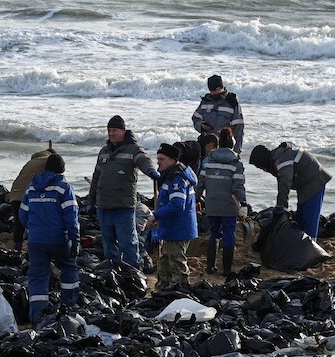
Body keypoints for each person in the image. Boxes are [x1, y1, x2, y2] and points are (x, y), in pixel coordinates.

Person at [87, 115, 160, 267]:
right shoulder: (104, 151)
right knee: (108, 243)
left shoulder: (133, 149)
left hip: (123, 206)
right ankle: (113, 271)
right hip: (103, 205)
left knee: (128, 242)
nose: (111, 133)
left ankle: (132, 271)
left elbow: (144, 161)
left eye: (114, 130)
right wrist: (90, 201)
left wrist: (152, 172)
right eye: (109, 130)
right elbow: (96, 178)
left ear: (123, 131)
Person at [18, 153, 80, 323]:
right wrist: (75, 239)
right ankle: (69, 307)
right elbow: (71, 216)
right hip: (59, 239)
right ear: (62, 170)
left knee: (38, 276)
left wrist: (33, 228)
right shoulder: (63, 188)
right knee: (68, 268)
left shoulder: (31, 188)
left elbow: (22, 214)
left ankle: (37, 316)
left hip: (36, 241)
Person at [250, 142, 331, 240]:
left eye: (260, 166)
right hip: (304, 185)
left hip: (314, 181)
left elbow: (285, 182)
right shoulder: (275, 161)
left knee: (309, 218)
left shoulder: (280, 159)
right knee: (301, 217)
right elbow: (282, 184)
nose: (263, 170)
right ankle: (303, 244)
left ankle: (310, 247)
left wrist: (280, 206)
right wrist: (284, 206)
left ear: (263, 160)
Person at [196, 129, 247, 275]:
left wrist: (196, 199)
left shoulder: (208, 161)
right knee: (229, 234)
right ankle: (226, 270)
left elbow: (201, 184)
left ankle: (210, 267)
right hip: (229, 205)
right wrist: (243, 203)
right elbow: (238, 187)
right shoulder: (236, 163)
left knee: (214, 233)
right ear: (232, 144)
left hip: (212, 204)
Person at [148, 143, 198, 290]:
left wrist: (156, 215)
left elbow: (177, 205)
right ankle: (163, 288)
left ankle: (181, 289)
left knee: (176, 261)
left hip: (179, 228)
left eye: (161, 159)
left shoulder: (177, 179)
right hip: (171, 227)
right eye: (157, 159)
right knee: (165, 260)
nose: (158, 162)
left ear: (172, 160)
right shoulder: (169, 175)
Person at [9, 147, 55, 252]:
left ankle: (17, 250)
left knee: (18, 224)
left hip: (14, 195)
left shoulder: (31, 162)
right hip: (28, 196)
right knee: (36, 222)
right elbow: (51, 180)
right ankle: (35, 250)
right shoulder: (48, 161)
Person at [193, 75, 244, 153]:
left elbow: (239, 129)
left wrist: (236, 152)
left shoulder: (232, 103)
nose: (213, 93)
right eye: (211, 90)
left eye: (215, 90)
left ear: (221, 87)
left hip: (224, 147)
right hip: (207, 146)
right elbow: (196, 118)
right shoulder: (206, 101)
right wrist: (201, 126)